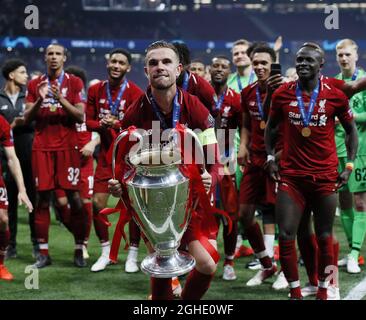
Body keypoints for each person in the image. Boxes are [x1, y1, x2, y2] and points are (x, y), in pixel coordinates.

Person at [108, 40, 222, 300]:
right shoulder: (135, 111)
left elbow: (215, 156)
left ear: (178, 69)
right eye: (153, 63)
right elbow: (122, 163)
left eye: (166, 62)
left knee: (207, 264)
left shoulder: (194, 105)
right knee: (160, 269)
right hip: (154, 203)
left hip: (189, 199)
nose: (160, 67)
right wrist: (118, 184)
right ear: (146, 71)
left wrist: (209, 177)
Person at [264, 44, 358, 300]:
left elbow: (351, 132)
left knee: (325, 234)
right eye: (299, 60)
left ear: (321, 65)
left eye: (309, 60)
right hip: (291, 177)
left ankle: (325, 290)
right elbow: (270, 128)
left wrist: (348, 165)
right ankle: (296, 290)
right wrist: (271, 157)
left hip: (325, 176)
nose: (303, 64)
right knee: (287, 234)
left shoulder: (335, 95)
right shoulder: (283, 93)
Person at [25, 43, 88, 268]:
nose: (53, 57)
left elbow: (80, 116)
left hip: (67, 147)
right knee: (42, 199)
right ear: (45, 57)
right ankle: (43, 253)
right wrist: (41, 99)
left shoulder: (74, 82)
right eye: (50, 53)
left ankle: (80, 248)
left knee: (75, 198)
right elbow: (26, 117)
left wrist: (60, 99)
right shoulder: (34, 84)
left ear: (64, 58)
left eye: (57, 54)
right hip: (42, 148)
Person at [86, 48, 143, 272]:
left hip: (129, 160)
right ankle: (106, 252)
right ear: (107, 64)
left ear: (128, 67)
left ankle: (132, 256)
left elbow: (139, 127)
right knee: (97, 205)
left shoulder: (135, 92)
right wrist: (102, 124)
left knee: (134, 209)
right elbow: (87, 121)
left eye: (121, 63)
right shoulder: (95, 90)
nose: (116, 65)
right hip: (105, 160)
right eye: (113, 62)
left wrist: (117, 124)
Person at [237, 46, 281, 286]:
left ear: (273, 63)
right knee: (244, 215)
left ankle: (287, 270)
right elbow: (246, 123)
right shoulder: (247, 92)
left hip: (279, 160)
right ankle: (267, 265)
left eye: (264, 63)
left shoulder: (284, 91)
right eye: (256, 63)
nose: (259, 67)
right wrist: (243, 146)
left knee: (285, 219)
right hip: (254, 160)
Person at [53, 66, 100, 260]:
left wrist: (92, 141)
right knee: (61, 203)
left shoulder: (90, 105)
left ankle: (82, 245)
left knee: (85, 203)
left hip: (84, 162)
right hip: (64, 160)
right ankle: (79, 235)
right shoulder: (60, 106)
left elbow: (100, 129)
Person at [334, 39, 366, 274]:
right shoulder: (334, 84)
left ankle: (355, 254)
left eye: (347, 55)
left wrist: (349, 116)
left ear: (356, 56)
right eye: (340, 55)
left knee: (360, 203)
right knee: (343, 202)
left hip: (361, 150)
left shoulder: (363, 80)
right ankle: (351, 251)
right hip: (335, 150)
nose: (343, 59)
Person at [209, 55, 242, 281]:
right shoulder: (199, 93)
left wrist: (243, 150)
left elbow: (244, 127)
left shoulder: (236, 98)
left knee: (230, 213)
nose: (219, 70)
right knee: (202, 211)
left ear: (229, 72)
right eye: (216, 66)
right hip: (202, 157)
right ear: (210, 70)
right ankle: (203, 257)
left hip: (227, 156)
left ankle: (229, 261)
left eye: (224, 67)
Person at [0, 59, 37, 259]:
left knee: (32, 199)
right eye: (22, 72)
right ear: (12, 75)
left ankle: (36, 244)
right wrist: (13, 125)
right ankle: (10, 245)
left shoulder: (29, 97)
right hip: (5, 157)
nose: (27, 76)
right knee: (8, 202)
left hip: (29, 154)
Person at [0, 114, 33, 280]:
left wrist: (22, 189)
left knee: (3, 219)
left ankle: (0, 264)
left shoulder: (2, 123)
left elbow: (12, 158)